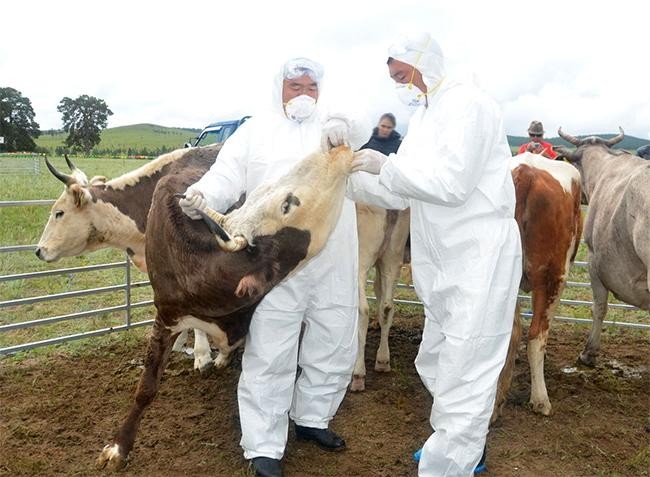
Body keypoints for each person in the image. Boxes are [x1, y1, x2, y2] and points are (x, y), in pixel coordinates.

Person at [179, 58, 368, 477]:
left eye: (310, 87)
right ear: (278, 87)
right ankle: (264, 445)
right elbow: (226, 172)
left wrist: (345, 126)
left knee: (334, 340)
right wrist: (201, 194)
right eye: (294, 85)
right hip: (275, 263)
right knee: (271, 349)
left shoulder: (336, 129)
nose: (303, 93)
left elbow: (364, 123)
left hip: (334, 254)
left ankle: (312, 418)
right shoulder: (257, 131)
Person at [346, 33, 522, 476]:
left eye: (403, 75)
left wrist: (385, 165)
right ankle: (455, 440)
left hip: (477, 250)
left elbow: (452, 184)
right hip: (441, 252)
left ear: (424, 62)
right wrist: (345, 180)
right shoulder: (425, 115)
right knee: (439, 356)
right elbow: (401, 188)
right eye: (395, 79)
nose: (401, 86)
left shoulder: (469, 104)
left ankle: (452, 464)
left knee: (469, 360)